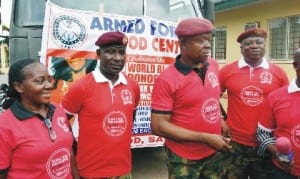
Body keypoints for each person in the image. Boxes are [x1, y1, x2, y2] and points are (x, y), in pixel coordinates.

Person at [151, 17, 232, 179]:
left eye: (209, 40)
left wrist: (221, 119)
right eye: (200, 41)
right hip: (184, 158)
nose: (208, 45)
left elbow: (211, 97)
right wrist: (205, 138)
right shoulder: (167, 79)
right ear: (183, 43)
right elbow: (158, 126)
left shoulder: (213, 65)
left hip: (215, 154)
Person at [61, 31, 140, 179]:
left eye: (121, 52)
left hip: (123, 170)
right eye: (110, 52)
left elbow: (131, 119)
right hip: (90, 171)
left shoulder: (133, 86)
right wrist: (73, 148)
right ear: (98, 54)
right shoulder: (81, 87)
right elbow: (61, 121)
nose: (117, 58)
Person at [219, 28, 289, 179]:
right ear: (241, 48)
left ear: (265, 46)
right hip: (235, 142)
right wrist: (220, 119)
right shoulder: (227, 71)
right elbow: (210, 97)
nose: (254, 46)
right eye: (248, 43)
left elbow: (286, 105)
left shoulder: (278, 73)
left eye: (259, 42)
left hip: (266, 143)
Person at [0, 59, 79, 179]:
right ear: (19, 87)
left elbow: (68, 152)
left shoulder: (58, 111)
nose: (49, 85)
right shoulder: (5, 126)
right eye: (40, 81)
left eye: (49, 80)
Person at [256, 48, 300, 178]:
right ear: (295, 65)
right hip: (283, 172)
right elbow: (262, 133)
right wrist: (279, 154)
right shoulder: (276, 97)